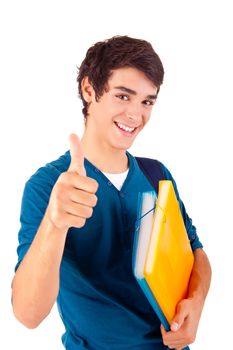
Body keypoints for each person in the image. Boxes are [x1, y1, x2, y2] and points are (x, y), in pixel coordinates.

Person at [12, 35, 211, 350]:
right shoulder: (49, 187)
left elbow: (196, 252)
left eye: (147, 101)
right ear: (89, 89)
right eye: (123, 96)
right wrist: (55, 223)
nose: (136, 115)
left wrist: (196, 303)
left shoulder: (157, 175)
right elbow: (28, 314)